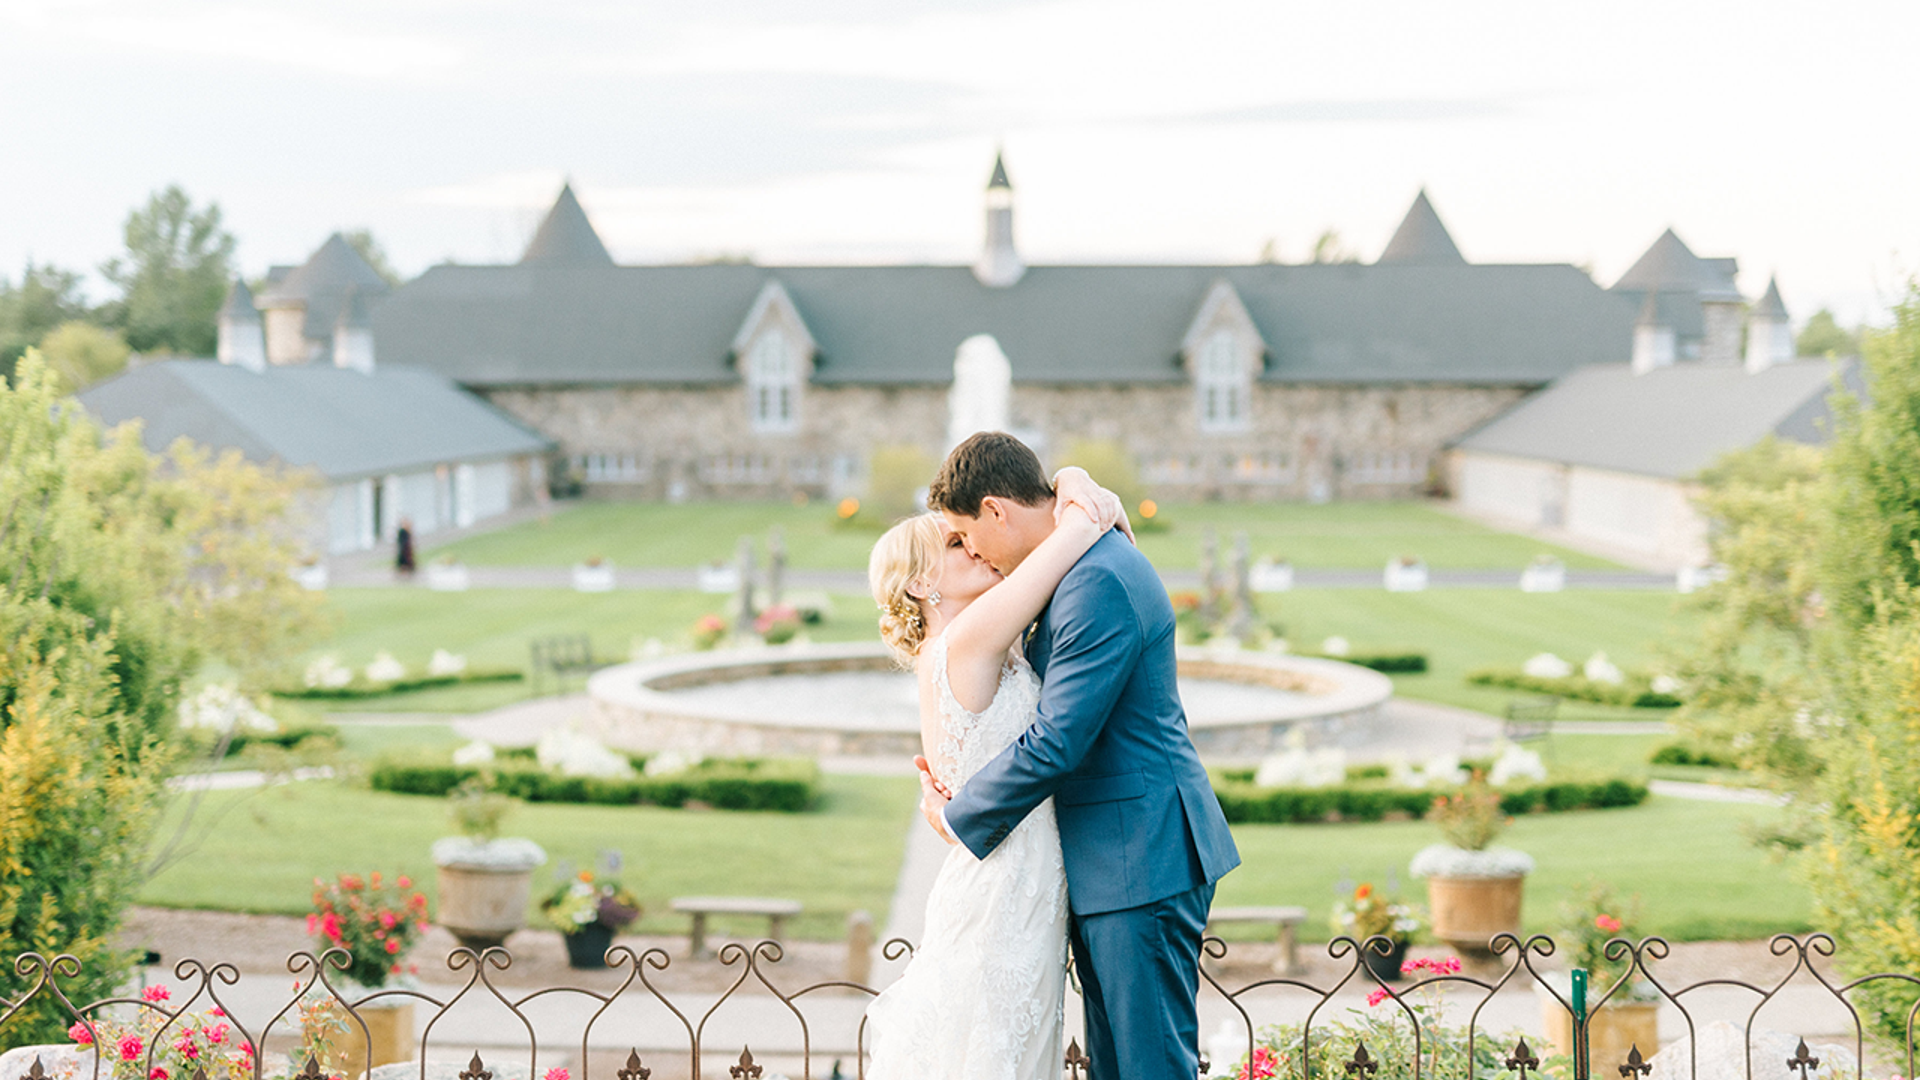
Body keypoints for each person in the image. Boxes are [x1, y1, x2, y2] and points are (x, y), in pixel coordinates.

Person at [919, 432, 1240, 1080]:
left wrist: (960, 818)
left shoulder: (1096, 581)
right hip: (1112, 859)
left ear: (995, 509)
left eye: (965, 533)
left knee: (1149, 1066)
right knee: (1116, 1066)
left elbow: (1060, 739)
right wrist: (1075, 481)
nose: (972, 550)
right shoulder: (1075, 564)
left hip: (1141, 854)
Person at [864, 466, 1129, 1080]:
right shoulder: (966, 639)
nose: (977, 545)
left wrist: (1069, 474)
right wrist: (1077, 485)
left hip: (1018, 877)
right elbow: (1073, 537)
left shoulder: (967, 643)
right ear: (922, 583)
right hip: (1006, 888)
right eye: (956, 544)